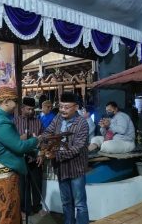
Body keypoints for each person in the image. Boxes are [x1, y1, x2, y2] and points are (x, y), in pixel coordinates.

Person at [0, 87, 40, 224]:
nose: (16, 105)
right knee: (6, 213)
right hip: (3, 178)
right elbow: (19, 147)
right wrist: (36, 140)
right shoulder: (2, 121)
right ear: (6, 101)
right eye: (15, 101)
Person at [43, 92, 90, 224]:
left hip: (76, 169)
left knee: (80, 204)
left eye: (66, 107)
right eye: (61, 106)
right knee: (66, 202)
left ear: (75, 107)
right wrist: (44, 142)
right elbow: (48, 132)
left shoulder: (82, 123)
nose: (63, 110)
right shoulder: (58, 118)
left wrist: (55, 154)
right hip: (61, 168)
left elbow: (77, 148)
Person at [13, 97, 44, 216]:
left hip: (35, 158)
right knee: (22, 185)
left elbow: (43, 139)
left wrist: (41, 153)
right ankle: (25, 209)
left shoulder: (38, 122)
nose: (31, 112)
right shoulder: (15, 121)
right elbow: (11, 140)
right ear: (22, 108)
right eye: (28, 109)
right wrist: (21, 138)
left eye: (32, 109)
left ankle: (37, 206)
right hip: (20, 158)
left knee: (37, 183)